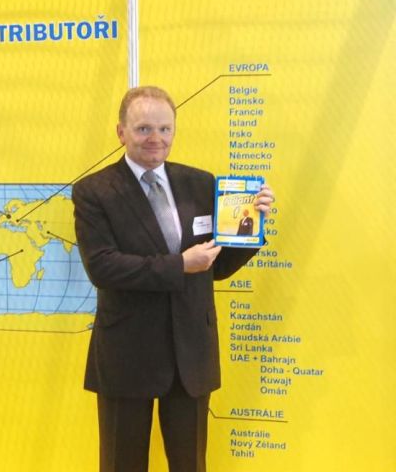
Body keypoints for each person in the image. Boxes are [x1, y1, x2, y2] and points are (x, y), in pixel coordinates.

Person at [72, 86, 275, 472]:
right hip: (127, 353)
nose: (156, 138)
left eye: (165, 129)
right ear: (121, 132)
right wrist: (179, 265)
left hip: (191, 354)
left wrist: (253, 224)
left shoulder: (201, 184)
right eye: (144, 129)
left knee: (190, 465)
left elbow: (217, 266)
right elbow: (102, 266)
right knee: (121, 465)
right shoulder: (94, 191)